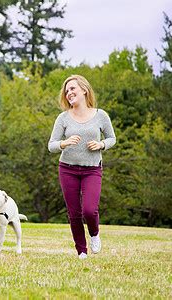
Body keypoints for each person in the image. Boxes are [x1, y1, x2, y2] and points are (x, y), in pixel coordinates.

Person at [48, 75, 116, 259]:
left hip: (92, 169)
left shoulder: (100, 115)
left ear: (84, 90)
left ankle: (94, 234)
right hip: (67, 169)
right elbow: (51, 145)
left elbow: (112, 138)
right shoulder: (63, 118)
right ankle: (81, 251)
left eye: (72, 89)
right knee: (74, 213)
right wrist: (64, 143)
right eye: (67, 91)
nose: (69, 93)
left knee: (89, 210)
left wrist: (101, 145)